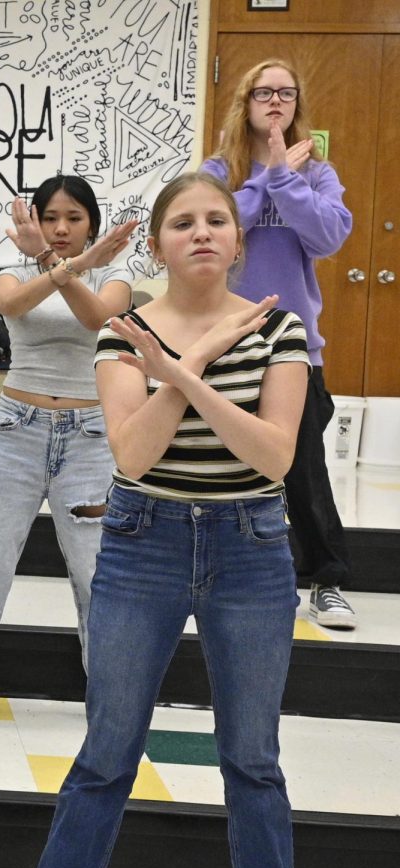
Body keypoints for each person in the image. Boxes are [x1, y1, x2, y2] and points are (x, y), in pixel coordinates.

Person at [0, 173, 348, 868]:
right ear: (156, 242)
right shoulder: (120, 330)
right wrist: (194, 362)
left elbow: (270, 458)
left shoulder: (280, 330)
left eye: (216, 219)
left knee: (252, 758)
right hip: (143, 542)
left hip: (251, 549)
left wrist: (179, 371)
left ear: (237, 237)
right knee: (109, 748)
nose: (202, 233)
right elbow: (136, 457)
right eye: (182, 221)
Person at [0, 176, 136, 730]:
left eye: (74, 218)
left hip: (90, 435)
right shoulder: (14, 262)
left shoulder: (116, 272)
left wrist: (65, 263)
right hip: (17, 428)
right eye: (50, 218)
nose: (61, 229)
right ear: (35, 222)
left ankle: (110, 694)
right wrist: (60, 260)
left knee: (95, 573)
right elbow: (11, 302)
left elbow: (97, 319)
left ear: (91, 220)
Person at [201, 59, 355, 629]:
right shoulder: (220, 169)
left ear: (296, 105)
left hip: (295, 344)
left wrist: (288, 180)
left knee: (303, 470)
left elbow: (327, 237)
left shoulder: (317, 173)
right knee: (224, 461)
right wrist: (264, 177)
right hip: (229, 337)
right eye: (263, 92)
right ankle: (224, 574)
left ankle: (327, 579)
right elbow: (217, 231)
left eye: (285, 93)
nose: (274, 102)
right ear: (245, 101)